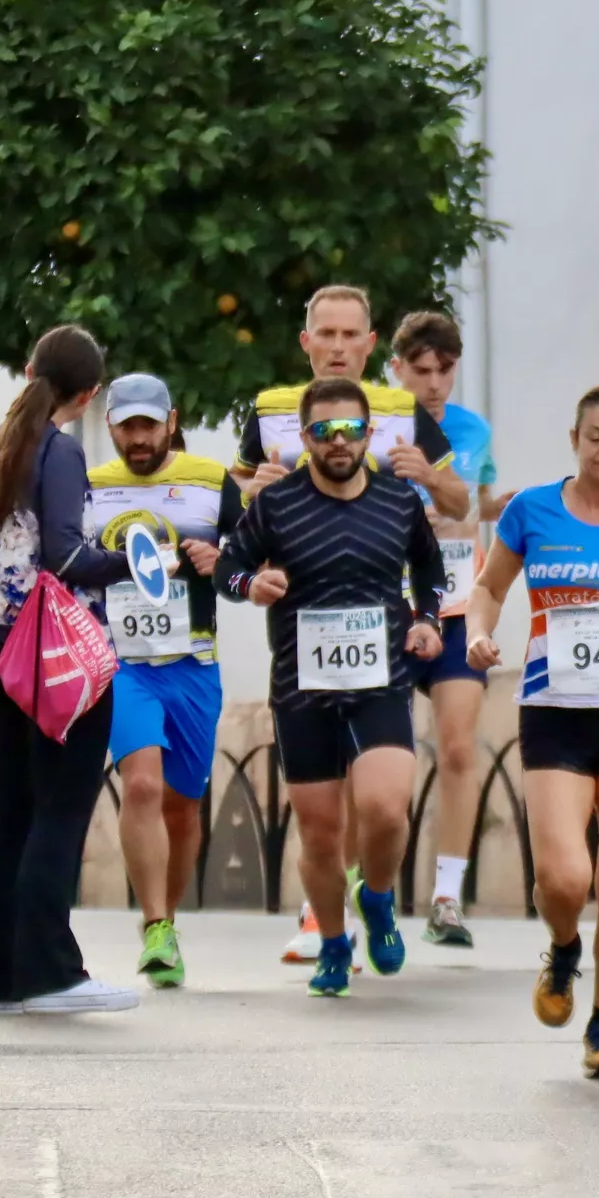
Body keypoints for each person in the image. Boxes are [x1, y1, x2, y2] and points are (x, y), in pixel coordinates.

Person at [239, 285, 466, 962]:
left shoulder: (401, 413)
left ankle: (374, 891)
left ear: (371, 346)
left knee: (383, 798)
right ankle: (324, 921)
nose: (338, 346)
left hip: (385, 631)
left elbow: (461, 505)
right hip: (302, 627)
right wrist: (249, 492)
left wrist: (430, 475)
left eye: (351, 335)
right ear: (306, 343)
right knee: (320, 807)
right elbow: (236, 513)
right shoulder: (274, 413)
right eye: (325, 334)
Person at [217, 377, 444, 997]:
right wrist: (250, 587)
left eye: (349, 429)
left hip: (380, 680)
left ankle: (376, 896)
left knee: (385, 805)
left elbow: (429, 564)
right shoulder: (277, 504)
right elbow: (229, 565)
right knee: (319, 832)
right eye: (323, 431)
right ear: (305, 437)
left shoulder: (398, 501)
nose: (337, 442)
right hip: (301, 686)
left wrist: (426, 620)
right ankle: (335, 944)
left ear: (369, 433)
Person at [466, 386, 599, 1079]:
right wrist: (480, 634)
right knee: (563, 876)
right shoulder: (532, 509)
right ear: (574, 439)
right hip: (555, 711)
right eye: (596, 437)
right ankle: (562, 946)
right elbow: (490, 587)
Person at [0, 325, 141, 1016]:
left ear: (29, 367)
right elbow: (64, 557)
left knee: (6, 811)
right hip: (53, 660)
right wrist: (138, 560)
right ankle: (51, 973)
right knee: (60, 809)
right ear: (90, 394)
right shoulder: (59, 452)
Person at [87, 373, 241, 988]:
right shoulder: (90, 488)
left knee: (182, 804)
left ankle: (167, 923)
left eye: (149, 424)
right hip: (122, 663)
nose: (139, 436)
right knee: (142, 785)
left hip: (193, 663)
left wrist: (222, 560)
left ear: (170, 421)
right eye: (127, 425)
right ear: (111, 427)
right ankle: (154, 922)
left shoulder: (210, 481)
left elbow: (253, 560)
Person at [387, 310, 504, 948]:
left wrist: (501, 506)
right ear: (397, 368)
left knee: (459, 750)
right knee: (385, 761)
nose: (433, 383)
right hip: (391, 609)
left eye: (445, 370)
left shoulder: (472, 430)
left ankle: (446, 899)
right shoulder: (379, 429)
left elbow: (471, 502)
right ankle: (364, 886)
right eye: (421, 370)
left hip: (457, 605)